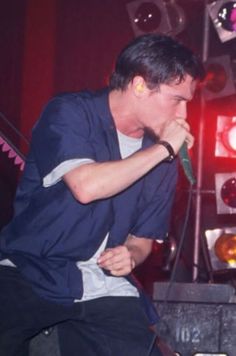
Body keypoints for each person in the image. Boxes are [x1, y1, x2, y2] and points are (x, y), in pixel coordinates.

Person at [0, 33, 204, 356]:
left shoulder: (161, 154)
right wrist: (164, 149)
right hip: (31, 270)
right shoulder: (70, 113)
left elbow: (142, 241)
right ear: (139, 86)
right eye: (177, 99)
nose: (183, 116)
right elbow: (86, 187)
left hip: (100, 284)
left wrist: (132, 255)